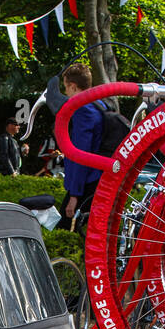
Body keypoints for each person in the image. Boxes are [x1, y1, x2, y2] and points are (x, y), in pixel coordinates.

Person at [58, 63, 104, 223]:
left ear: (73, 86)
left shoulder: (82, 109)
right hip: (99, 179)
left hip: (87, 184)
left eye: (66, 87)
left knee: (66, 230)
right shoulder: (100, 104)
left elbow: (79, 154)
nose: (66, 93)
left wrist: (74, 195)